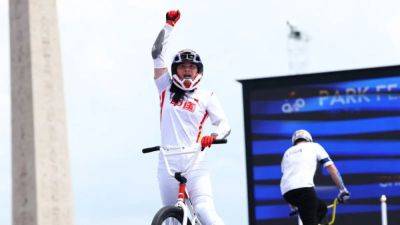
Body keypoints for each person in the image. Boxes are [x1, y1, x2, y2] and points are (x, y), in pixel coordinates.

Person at [151, 9, 231, 225]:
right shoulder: (165, 88)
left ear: (198, 71)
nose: (187, 71)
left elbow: (224, 124)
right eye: (183, 66)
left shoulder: (206, 96)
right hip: (167, 160)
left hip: (195, 159)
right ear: (175, 70)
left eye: (192, 67)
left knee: (205, 212)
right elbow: (157, 54)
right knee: (170, 218)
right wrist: (169, 25)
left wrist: (213, 136)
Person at [280, 129, 350, 225]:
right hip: (304, 190)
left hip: (287, 194)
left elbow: (288, 179)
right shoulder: (314, 146)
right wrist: (343, 190)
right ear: (309, 139)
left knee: (321, 208)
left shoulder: (287, 153)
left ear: (294, 141)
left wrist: (293, 206)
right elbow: (331, 168)